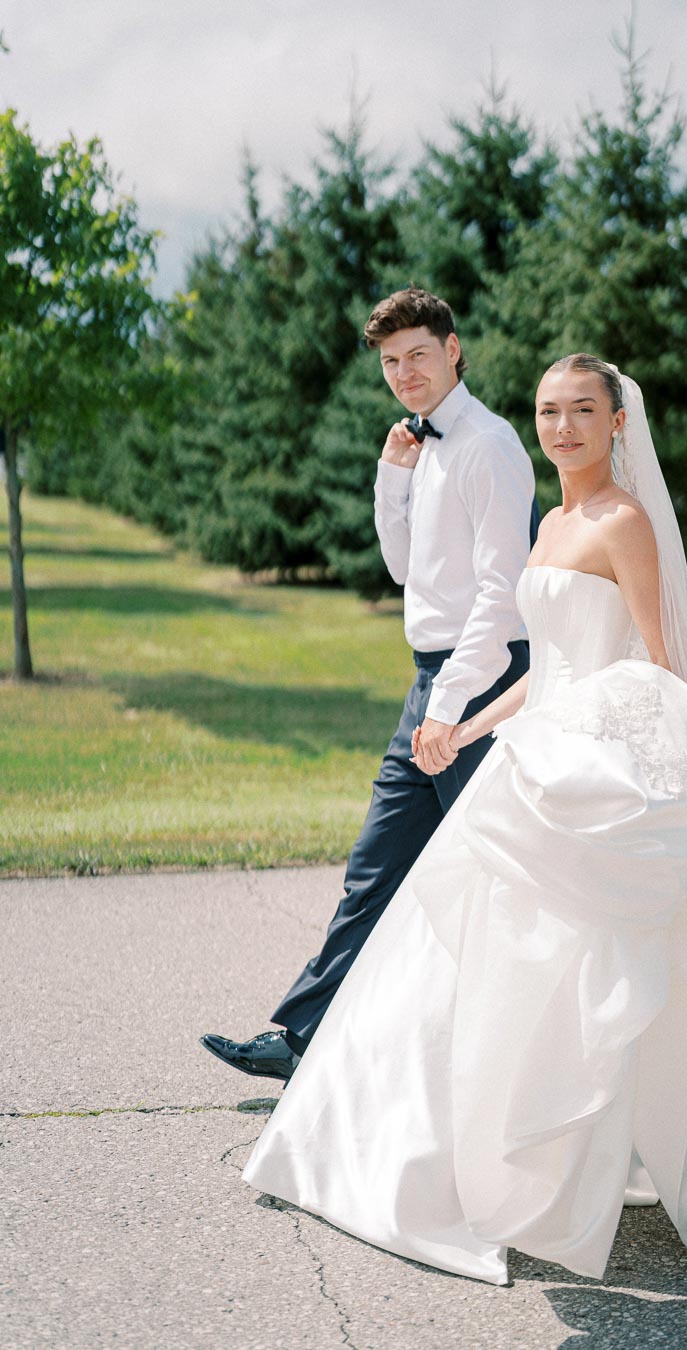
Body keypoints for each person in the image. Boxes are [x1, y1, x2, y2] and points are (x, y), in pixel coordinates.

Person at [242, 355, 687, 1284]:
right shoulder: (553, 522)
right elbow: (547, 666)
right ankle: (435, 1160)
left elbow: (658, 664)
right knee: (461, 962)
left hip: (588, 774)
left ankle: (560, 1167)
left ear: (615, 425)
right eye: (549, 412)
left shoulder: (625, 523)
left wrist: (628, 767)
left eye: (581, 412)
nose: (562, 428)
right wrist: (465, 723)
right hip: (529, 756)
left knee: (583, 975)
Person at [201, 288, 537, 1082]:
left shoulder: (489, 446)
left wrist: (452, 711)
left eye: (418, 353)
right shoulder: (422, 448)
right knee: (375, 866)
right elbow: (404, 568)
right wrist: (392, 478)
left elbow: (502, 594)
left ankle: (536, 1066)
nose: (404, 372)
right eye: (390, 361)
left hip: (481, 685)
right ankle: (302, 1041)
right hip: (431, 683)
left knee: (508, 879)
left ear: (453, 349)